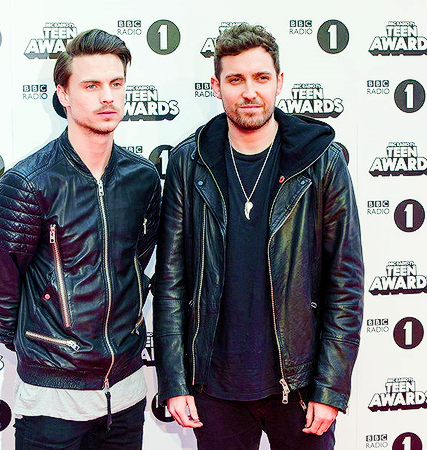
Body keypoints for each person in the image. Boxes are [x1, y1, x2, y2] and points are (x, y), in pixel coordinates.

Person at [153, 23, 363, 450]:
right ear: (217, 86)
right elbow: (170, 284)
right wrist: (174, 381)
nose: (250, 92)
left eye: (261, 78)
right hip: (214, 386)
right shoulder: (187, 163)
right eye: (236, 79)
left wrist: (330, 387)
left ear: (280, 82)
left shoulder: (321, 161)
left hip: (300, 384)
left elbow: (345, 282)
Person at [0, 29, 161, 450]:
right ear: (64, 94)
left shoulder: (143, 178)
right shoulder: (28, 183)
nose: (107, 97)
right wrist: (44, 346)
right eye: (91, 86)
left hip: (126, 391)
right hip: (52, 399)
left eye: (116, 84)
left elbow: (137, 263)